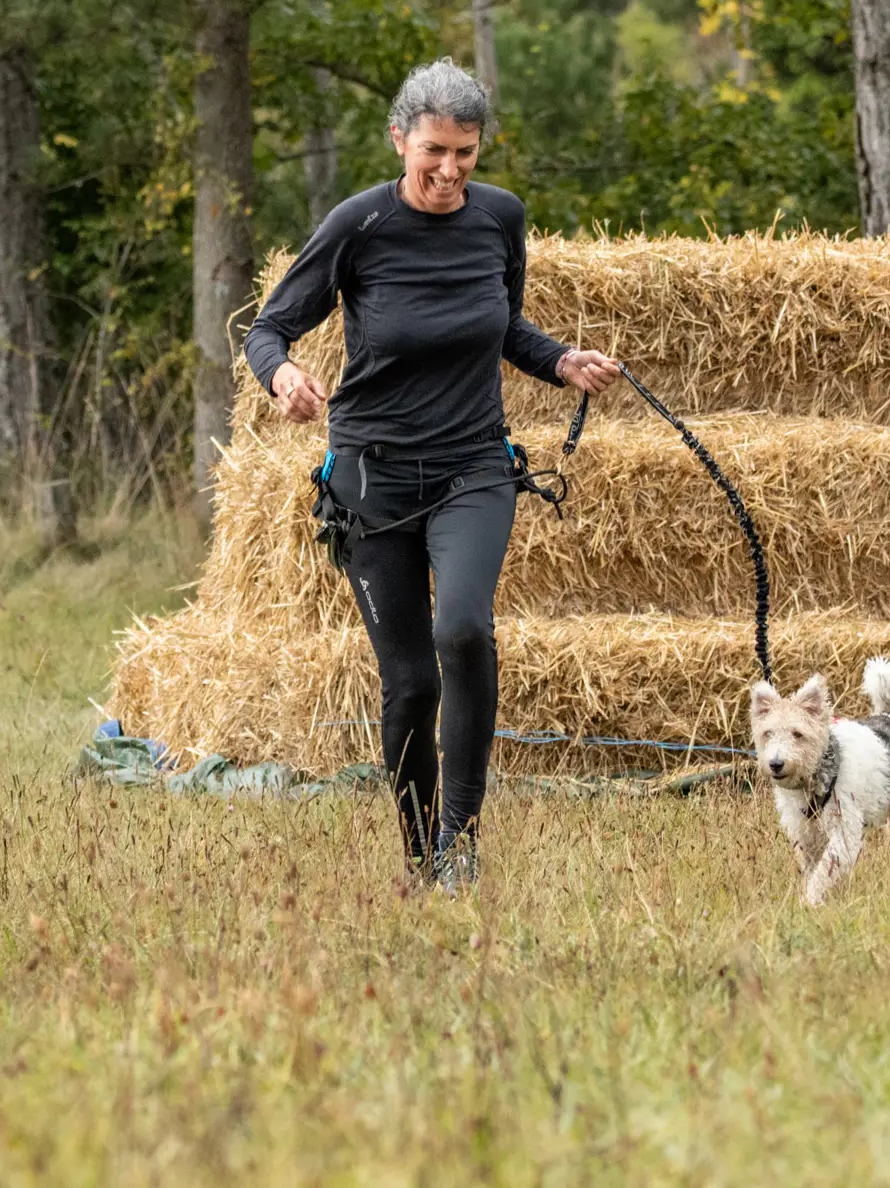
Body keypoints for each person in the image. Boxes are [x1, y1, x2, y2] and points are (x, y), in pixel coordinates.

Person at [243, 57, 621, 892]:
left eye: (466, 153)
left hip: (473, 466)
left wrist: (560, 361)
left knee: (464, 629)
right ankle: (419, 856)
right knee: (410, 683)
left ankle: (462, 835)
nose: (450, 172)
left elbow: (504, 324)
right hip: (373, 480)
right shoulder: (358, 226)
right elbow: (268, 328)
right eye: (433, 154)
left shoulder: (499, 219)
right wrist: (283, 378)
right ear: (398, 141)